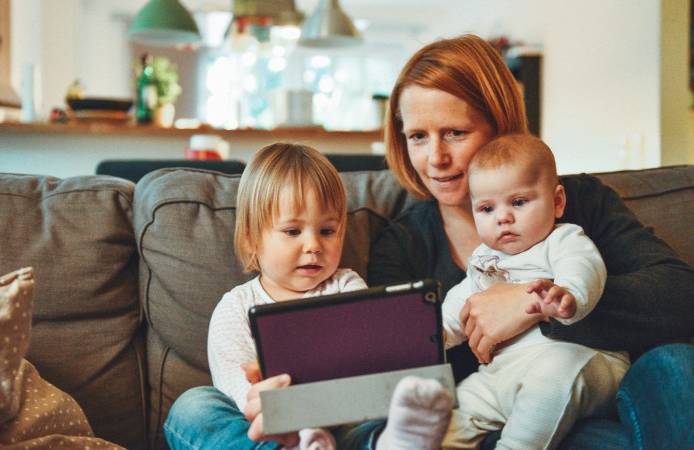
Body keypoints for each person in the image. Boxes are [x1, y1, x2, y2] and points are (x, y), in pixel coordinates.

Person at [168, 34, 694, 449]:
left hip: (581, 418)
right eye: (418, 136)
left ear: (500, 126)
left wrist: (534, 304)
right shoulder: (404, 241)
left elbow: (678, 296)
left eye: (455, 134)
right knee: (197, 406)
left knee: (675, 364)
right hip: (458, 430)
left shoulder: (577, 202)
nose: (435, 159)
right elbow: (400, 377)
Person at [164, 142, 453, 450]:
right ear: (251, 239)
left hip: (341, 423)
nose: (313, 245)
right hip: (269, 430)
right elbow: (239, 394)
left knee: (378, 416)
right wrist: (277, 408)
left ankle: (391, 443)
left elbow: (366, 366)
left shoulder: (347, 287)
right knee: (193, 406)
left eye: (327, 231)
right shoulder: (235, 308)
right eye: (292, 232)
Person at [437, 132, 630, 449]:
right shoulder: (484, 260)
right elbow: (464, 300)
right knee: (449, 415)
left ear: (557, 202)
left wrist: (568, 295)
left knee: (549, 381)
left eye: (519, 202)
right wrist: (439, 332)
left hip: (578, 362)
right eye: (486, 209)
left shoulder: (562, 239)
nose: (503, 218)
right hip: (502, 374)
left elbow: (584, 267)